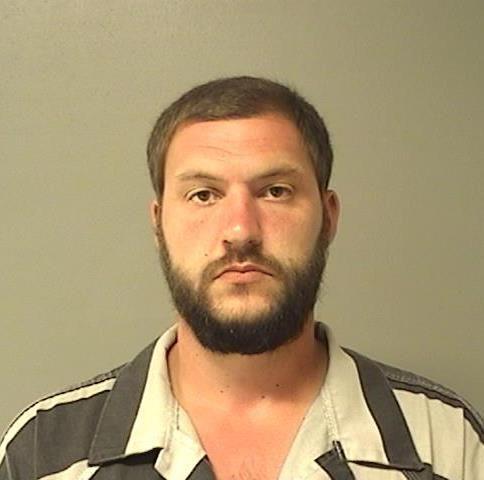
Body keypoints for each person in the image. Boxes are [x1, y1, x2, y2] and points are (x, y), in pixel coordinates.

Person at [0, 76, 482, 480]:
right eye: (203, 195)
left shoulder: (446, 443)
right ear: (159, 224)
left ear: (328, 217)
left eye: (276, 191)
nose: (240, 231)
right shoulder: (41, 454)